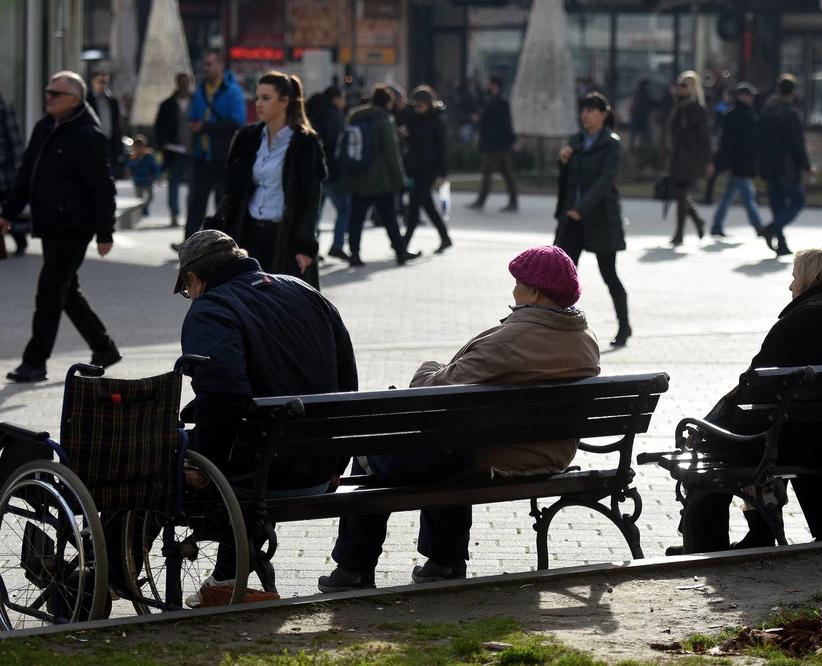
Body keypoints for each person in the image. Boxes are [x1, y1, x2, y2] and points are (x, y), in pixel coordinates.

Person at [319, 245, 600, 591]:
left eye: (517, 283)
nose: (513, 290)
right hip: (552, 450)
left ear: (535, 292)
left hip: (506, 454)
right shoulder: (584, 338)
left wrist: (427, 368)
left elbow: (435, 389)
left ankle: (353, 568)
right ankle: (444, 562)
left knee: (377, 451)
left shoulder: (513, 339)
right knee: (448, 441)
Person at [173, 229, 357, 604]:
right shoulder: (305, 291)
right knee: (256, 438)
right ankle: (225, 579)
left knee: (155, 454)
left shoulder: (212, 309)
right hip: (319, 470)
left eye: (186, 289)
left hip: (264, 472)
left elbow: (223, 396)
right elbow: (347, 382)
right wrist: (338, 459)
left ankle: (107, 566)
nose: (189, 297)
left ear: (194, 278)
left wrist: (200, 466)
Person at [678, 248, 822, 553]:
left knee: (711, 461)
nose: (790, 286)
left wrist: (712, 426)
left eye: (795, 277)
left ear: (811, 280)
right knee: (790, 434)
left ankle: (706, 549)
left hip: (804, 444)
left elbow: (753, 388)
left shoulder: (795, 326)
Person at [1, 71, 120, 383]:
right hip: (50, 224)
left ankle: (35, 361)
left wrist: (105, 231)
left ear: (75, 100)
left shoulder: (88, 136)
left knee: (50, 291)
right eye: (48, 91)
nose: (48, 97)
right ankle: (103, 346)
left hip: (74, 227)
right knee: (66, 291)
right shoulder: (45, 128)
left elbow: (102, 187)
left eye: (56, 93)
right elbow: (26, 175)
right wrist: (7, 214)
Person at [207, 71, 325, 289]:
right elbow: (232, 192)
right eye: (257, 97)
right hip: (248, 235)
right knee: (245, 306)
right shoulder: (247, 138)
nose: (258, 104)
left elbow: (311, 199)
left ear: (284, 102)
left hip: (285, 239)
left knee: (284, 310)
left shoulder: (304, 143)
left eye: (266, 98)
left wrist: (304, 244)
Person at [555, 92, 631, 348]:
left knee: (609, 274)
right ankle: (561, 326)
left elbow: (605, 182)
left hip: (600, 217)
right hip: (572, 217)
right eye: (583, 110)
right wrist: (563, 162)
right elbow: (568, 180)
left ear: (603, 114)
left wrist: (582, 208)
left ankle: (624, 326)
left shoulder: (611, 143)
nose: (585, 114)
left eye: (590, 110)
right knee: (564, 274)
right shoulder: (576, 141)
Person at [343, 84, 421, 268]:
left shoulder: (355, 116)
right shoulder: (384, 120)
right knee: (389, 217)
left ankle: (354, 253)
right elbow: (392, 154)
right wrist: (400, 180)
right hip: (380, 179)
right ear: (388, 103)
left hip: (358, 175)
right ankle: (400, 252)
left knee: (357, 217)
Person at [180, 50, 247, 247]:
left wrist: (205, 127)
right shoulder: (200, 90)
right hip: (202, 155)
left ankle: (225, 245)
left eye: (209, 64)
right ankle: (189, 244)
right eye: (204, 65)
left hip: (224, 156)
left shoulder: (232, 91)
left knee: (224, 203)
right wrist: (195, 124)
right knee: (196, 202)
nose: (205, 69)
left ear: (220, 65)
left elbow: (237, 122)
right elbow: (193, 115)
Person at [760, 74, 816, 257]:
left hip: (769, 166)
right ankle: (772, 228)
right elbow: (796, 144)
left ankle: (781, 244)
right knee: (797, 201)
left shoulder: (767, 111)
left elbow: (759, 140)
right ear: (792, 92)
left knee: (777, 206)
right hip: (787, 167)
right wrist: (807, 165)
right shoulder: (791, 114)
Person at [710, 82, 764, 237]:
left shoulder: (745, 113)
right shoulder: (737, 115)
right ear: (741, 96)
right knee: (748, 197)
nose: (751, 98)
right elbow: (728, 143)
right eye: (749, 95)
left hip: (739, 164)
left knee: (728, 196)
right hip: (739, 164)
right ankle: (758, 226)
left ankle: (716, 225)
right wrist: (726, 163)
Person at [403, 85, 451, 254]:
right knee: (427, 205)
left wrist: (443, 173)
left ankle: (404, 242)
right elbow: (412, 143)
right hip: (416, 168)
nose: (417, 108)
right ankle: (445, 237)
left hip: (429, 169)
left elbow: (442, 148)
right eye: (415, 105)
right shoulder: (414, 119)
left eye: (420, 105)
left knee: (415, 205)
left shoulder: (436, 121)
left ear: (428, 103)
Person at [305, 86, 352, 261]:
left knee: (316, 211)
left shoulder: (314, 113)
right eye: (343, 98)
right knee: (345, 207)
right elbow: (335, 144)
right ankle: (337, 245)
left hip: (314, 169)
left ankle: (312, 248)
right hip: (330, 170)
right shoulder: (333, 115)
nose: (344, 102)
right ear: (335, 98)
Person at [665, 70, 711, 245]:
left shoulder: (696, 108)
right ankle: (698, 221)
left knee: (681, 194)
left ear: (691, 88)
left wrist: (707, 159)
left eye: (683, 85)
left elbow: (704, 136)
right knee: (680, 194)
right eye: (678, 84)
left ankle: (679, 234)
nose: (679, 88)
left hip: (689, 157)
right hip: (678, 156)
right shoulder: (678, 105)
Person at [466, 76, 518, 213]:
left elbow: (505, 123)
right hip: (494, 144)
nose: (487, 86)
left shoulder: (500, 102)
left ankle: (483, 200)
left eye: (490, 84)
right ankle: (512, 201)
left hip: (497, 145)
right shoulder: (491, 100)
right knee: (505, 173)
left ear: (495, 85)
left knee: (489, 173)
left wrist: (511, 140)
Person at [154, 72, 194, 228]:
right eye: (181, 82)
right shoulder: (167, 105)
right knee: (174, 184)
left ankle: (191, 216)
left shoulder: (197, 102)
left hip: (193, 151)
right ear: (177, 83)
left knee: (194, 186)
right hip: (174, 151)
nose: (184, 85)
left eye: (186, 82)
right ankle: (174, 214)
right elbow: (159, 127)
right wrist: (163, 144)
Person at [86, 69, 125, 179]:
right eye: (101, 81)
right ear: (93, 82)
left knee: (109, 179)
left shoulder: (113, 102)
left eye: (106, 82)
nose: (104, 85)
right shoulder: (87, 100)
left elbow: (118, 127)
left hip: (109, 145)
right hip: (92, 144)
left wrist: (119, 149)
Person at [0, 91, 25, 256]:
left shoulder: (4, 109)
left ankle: (20, 240)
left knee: (9, 211)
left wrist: (18, 169)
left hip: (4, 172)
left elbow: (15, 141)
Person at [127, 134, 160, 216]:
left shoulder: (148, 156)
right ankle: (141, 213)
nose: (139, 148)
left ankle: (144, 208)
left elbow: (154, 166)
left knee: (150, 197)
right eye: (137, 146)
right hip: (138, 181)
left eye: (140, 146)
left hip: (148, 180)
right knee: (139, 199)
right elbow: (130, 168)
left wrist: (156, 175)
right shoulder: (133, 157)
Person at [629, 79, 656, 155]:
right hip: (640, 118)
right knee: (645, 136)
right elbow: (650, 102)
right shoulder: (643, 94)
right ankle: (646, 151)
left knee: (636, 136)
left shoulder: (638, 94)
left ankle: (636, 150)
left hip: (638, 118)